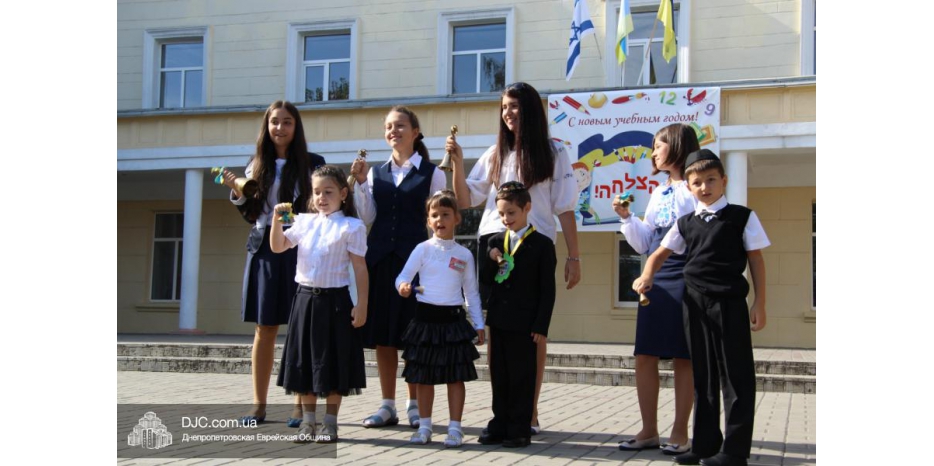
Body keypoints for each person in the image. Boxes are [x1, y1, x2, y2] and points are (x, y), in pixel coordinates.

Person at [448, 82, 580, 435]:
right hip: (494, 243)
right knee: (499, 331)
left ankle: (529, 412)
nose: (509, 113)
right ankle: (503, 414)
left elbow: (565, 207)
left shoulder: (553, 152)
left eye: (517, 107)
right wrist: (458, 164)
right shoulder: (495, 153)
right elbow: (466, 199)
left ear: (532, 110)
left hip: (535, 245)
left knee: (532, 333)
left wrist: (574, 257)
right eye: (505, 107)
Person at [633, 149, 769, 466]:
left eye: (711, 180)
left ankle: (734, 452)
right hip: (693, 304)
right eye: (697, 182)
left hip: (730, 304)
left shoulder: (741, 217)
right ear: (690, 188)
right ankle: (705, 446)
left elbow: (757, 262)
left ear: (724, 180)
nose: (705, 187)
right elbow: (659, 253)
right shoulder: (685, 223)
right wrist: (647, 275)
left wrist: (760, 303)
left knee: (736, 377)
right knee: (702, 377)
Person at [223, 100, 326, 426]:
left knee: (300, 327)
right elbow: (254, 215)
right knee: (264, 327)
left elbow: (319, 207)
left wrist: (287, 218)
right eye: (274, 122)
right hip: (265, 250)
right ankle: (258, 406)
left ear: (296, 128)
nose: (280, 128)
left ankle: (300, 404)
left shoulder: (313, 163)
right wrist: (238, 195)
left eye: (287, 122)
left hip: (300, 248)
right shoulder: (256, 165)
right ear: (267, 128)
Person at [350, 106, 446, 429]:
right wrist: (361, 184)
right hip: (382, 263)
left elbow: (439, 223)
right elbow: (366, 218)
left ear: (415, 131)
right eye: (389, 127)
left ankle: (414, 404)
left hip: (417, 266)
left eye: (400, 125)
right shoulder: (376, 173)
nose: (394, 131)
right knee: (384, 338)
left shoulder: (433, 173)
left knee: (413, 337)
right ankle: (387, 404)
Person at [613, 123, 698, 455]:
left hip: (686, 273)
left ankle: (680, 432)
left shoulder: (694, 189)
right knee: (645, 353)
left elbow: (695, 234)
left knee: (682, 355)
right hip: (654, 276)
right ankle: (648, 430)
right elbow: (645, 242)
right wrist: (626, 218)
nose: (653, 152)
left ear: (675, 146)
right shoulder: (658, 191)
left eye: (658, 146)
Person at [271, 165, 369, 444]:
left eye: (328, 192)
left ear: (343, 193)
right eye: (316, 192)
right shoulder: (302, 221)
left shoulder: (352, 226)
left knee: (334, 362)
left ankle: (330, 422)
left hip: (336, 301)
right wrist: (278, 219)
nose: (322, 197)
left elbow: (360, 269)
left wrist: (361, 304)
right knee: (304, 362)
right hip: (304, 300)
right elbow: (278, 247)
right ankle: (308, 421)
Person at [395, 190, 485, 448]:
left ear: (457, 218)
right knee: (424, 377)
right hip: (425, 322)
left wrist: (478, 324)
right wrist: (402, 286)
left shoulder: (464, 255)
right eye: (434, 215)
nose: (439, 219)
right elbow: (402, 277)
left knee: (455, 377)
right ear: (428, 221)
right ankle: (424, 427)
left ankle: (455, 428)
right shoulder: (421, 250)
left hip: (453, 323)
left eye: (445, 214)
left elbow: (471, 292)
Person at [477, 182, 556, 448]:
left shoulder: (542, 244)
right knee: (499, 374)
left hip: (526, 324)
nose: (506, 219)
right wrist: (490, 258)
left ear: (527, 208)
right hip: (499, 320)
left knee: (522, 376)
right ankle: (499, 423)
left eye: (511, 212)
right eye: (501, 214)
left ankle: (519, 428)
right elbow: (486, 280)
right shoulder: (496, 241)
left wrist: (541, 325)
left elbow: (548, 290)